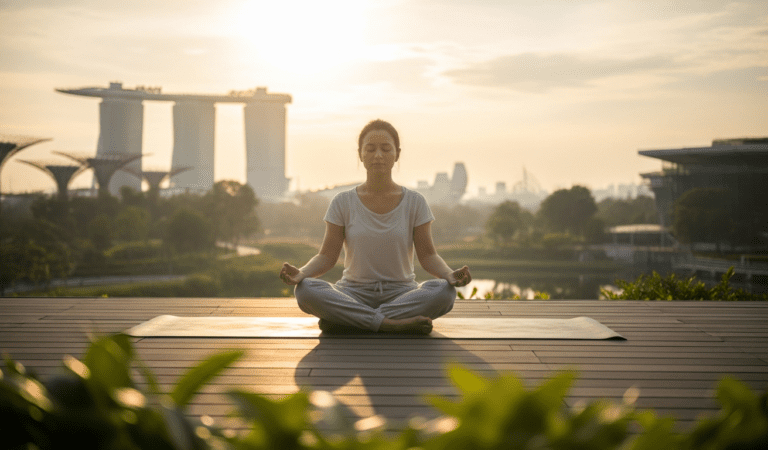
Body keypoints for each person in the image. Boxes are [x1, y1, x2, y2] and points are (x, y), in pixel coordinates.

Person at [279, 119, 472, 334]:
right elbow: (326, 257)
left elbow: (428, 256)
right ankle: (391, 324)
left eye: (385, 148)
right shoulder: (343, 202)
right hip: (353, 292)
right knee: (306, 290)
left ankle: (351, 319)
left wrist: (449, 274)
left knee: (444, 292)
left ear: (397, 154)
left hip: (401, 293)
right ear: (360, 154)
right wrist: (301, 273)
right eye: (370, 149)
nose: (378, 155)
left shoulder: (415, 202)